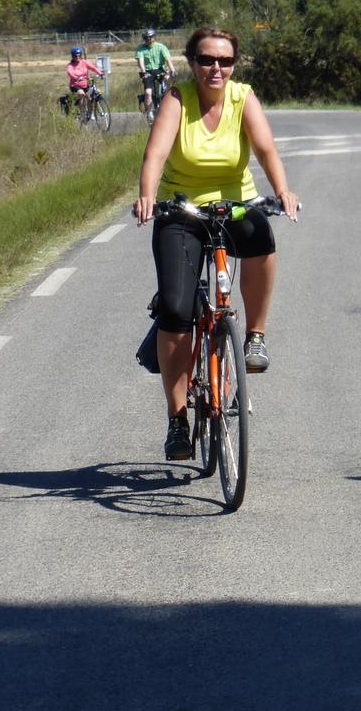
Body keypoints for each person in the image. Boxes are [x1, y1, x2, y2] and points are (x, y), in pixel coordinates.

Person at [135, 26, 300, 461]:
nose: (216, 69)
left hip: (235, 204)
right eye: (207, 60)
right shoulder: (177, 98)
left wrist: (282, 189)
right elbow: (155, 152)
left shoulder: (242, 97)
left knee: (262, 237)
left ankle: (255, 337)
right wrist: (148, 196)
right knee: (175, 310)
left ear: (233, 65)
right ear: (192, 62)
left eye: (225, 61)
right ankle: (176, 420)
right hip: (181, 210)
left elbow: (265, 149)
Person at [134, 28, 176, 117]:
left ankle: (167, 103)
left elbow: (168, 60)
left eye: (150, 37)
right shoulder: (140, 49)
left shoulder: (161, 47)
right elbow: (141, 62)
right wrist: (144, 72)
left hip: (160, 69)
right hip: (148, 71)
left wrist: (172, 70)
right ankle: (149, 113)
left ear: (154, 37)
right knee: (148, 93)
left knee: (168, 82)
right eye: (146, 38)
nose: (148, 40)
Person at [65, 47, 104, 113]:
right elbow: (70, 72)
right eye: (75, 56)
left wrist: (100, 74)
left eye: (79, 55)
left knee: (90, 98)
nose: (77, 57)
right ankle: (82, 113)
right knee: (82, 94)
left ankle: (89, 113)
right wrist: (76, 77)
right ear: (72, 56)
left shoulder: (84, 62)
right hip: (75, 85)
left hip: (85, 84)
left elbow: (93, 68)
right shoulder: (70, 65)